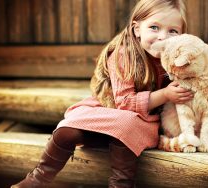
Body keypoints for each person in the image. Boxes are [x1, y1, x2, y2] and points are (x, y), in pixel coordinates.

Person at [11, 0, 193, 187]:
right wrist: (165, 94)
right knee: (66, 131)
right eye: (154, 27)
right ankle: (35, 181)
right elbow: (124, 103)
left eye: (173, 31)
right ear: (137, 29)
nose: (163, 37)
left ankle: (120, 184)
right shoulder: (123, 54)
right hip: (110, 108)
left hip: (143, 120)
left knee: (127, 125)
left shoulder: (178, 58)